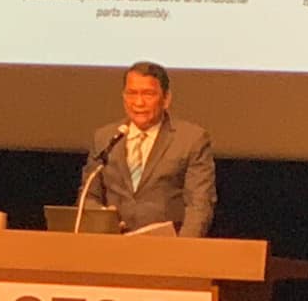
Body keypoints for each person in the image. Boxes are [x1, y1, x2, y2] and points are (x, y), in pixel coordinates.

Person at [80, 61, 216, 237]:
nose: (138, 102)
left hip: (166, 246)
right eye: (131, 93)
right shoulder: (105, 138)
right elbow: (88, 196)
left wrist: (182, 248)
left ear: (166, 99)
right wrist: (103, 219)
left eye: (148, 94)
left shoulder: (191, 139)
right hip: (113, 244)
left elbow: (199, 205)